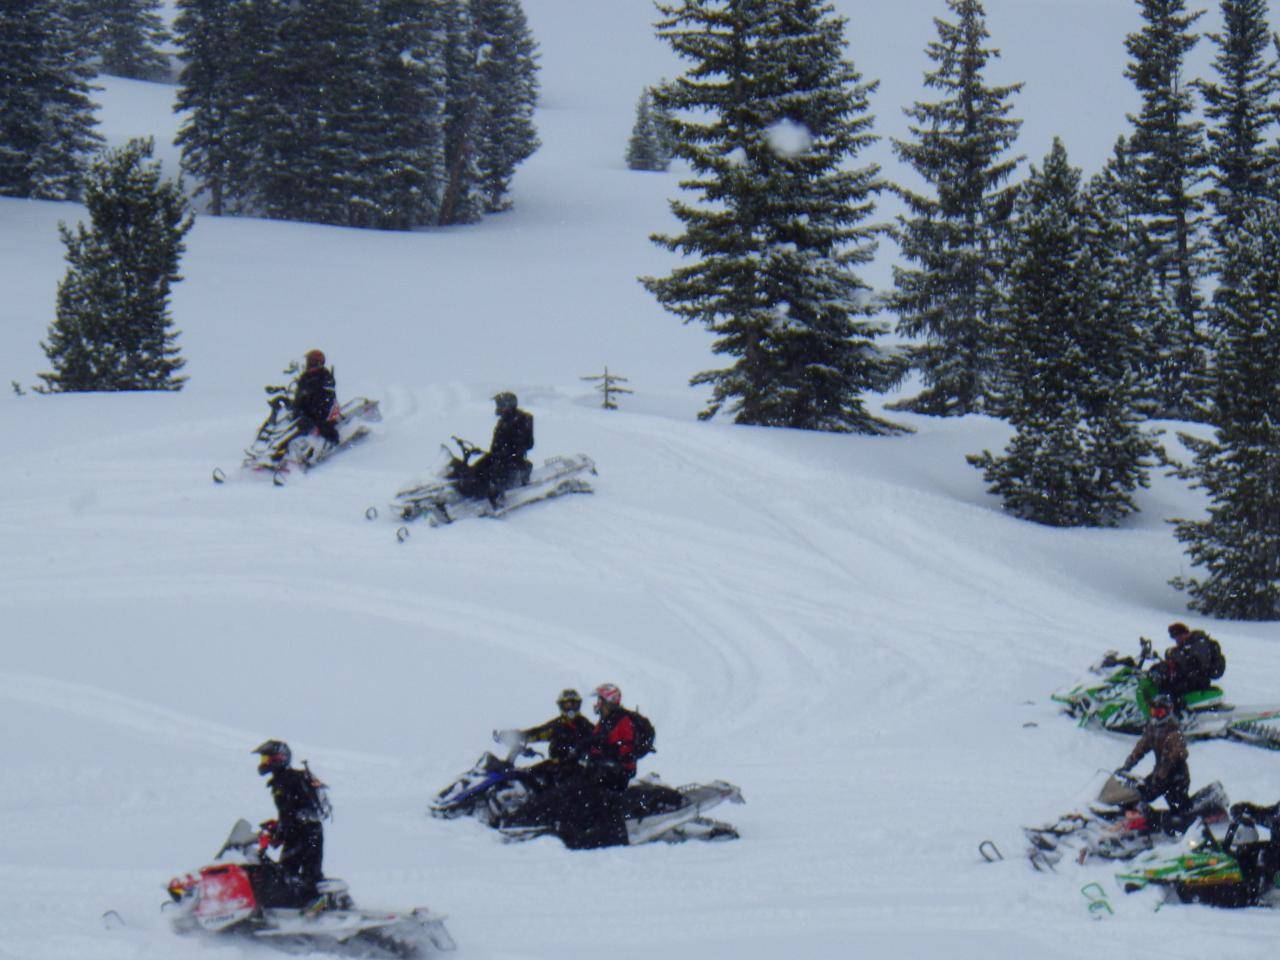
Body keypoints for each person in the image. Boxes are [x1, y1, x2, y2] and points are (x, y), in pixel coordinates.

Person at [252, 739, 327, 908]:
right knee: (291, 874)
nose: (264, 763)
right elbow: (291, 812)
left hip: (305, 833)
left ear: (279, 758)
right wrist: (277, 828)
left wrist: (279, 832)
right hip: (304, 832)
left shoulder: (287, 780)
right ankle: (299, 908)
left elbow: (293, 812)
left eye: (267, 759)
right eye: (263, 759)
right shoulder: (285, 779)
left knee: (292, 875)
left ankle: (315, 906)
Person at [1117, 695, 1191, 820]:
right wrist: (1127, 765)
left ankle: (1184, 827)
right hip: (1160, 774)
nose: (1156, 716)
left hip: (1176, 775)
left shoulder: (1173, 731)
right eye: (1153, 712)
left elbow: (1171, 758)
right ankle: (1134, 821)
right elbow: (1141, 747)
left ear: (1168, 712)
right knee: (1138, 794)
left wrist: (1160, 776)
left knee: (1179, 809)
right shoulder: (1153, 728)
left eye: (1160, 712)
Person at [459, 392, 534, 506]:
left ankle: (497, 498)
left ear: (507, 405)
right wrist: (485, 452)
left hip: (513, 459)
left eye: (500, 404)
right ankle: (469, 489)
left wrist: (508, 452)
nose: (497, 407)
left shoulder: (520, 420)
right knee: (478, 467)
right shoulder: (504, 421)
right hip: (500, 457)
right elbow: (498, 445)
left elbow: (526, 443)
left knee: (495, 471)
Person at [519, 689, 594, 783]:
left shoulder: (585, 726)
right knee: (526, 775)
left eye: (573, 704)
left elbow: (595, 743)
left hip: (576, 769)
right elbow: (538, 733)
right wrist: (518, 736)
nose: (570, 709)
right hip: (555, 765)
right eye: (567, 705)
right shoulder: (557, 725)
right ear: (561, 706)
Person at [291, 349, 340, 448]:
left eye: (312, 362)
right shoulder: (304, 378)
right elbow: (298, 399)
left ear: (319, 363)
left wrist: (318, 420)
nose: (309, 365)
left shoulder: (325, 377)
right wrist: (297, 411)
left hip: (322, 414)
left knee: (327, 432)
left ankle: (327, 443)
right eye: (308, 362)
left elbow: (327, 400)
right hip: (306, 415)